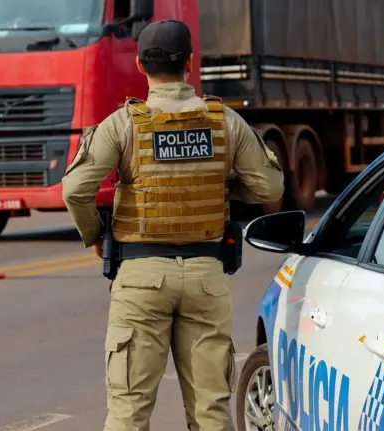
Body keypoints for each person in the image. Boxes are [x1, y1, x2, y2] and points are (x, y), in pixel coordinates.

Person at [61, 19, 284, 431]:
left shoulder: (124, 123)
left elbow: (75, 190)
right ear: (191, 64)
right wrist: (222, 186)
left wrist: (95, 234)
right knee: (211, 412)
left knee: (128, 413)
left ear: (141, 67)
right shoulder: (224, 122)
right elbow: (270, 185)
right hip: (206, 276)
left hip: (140, 278)